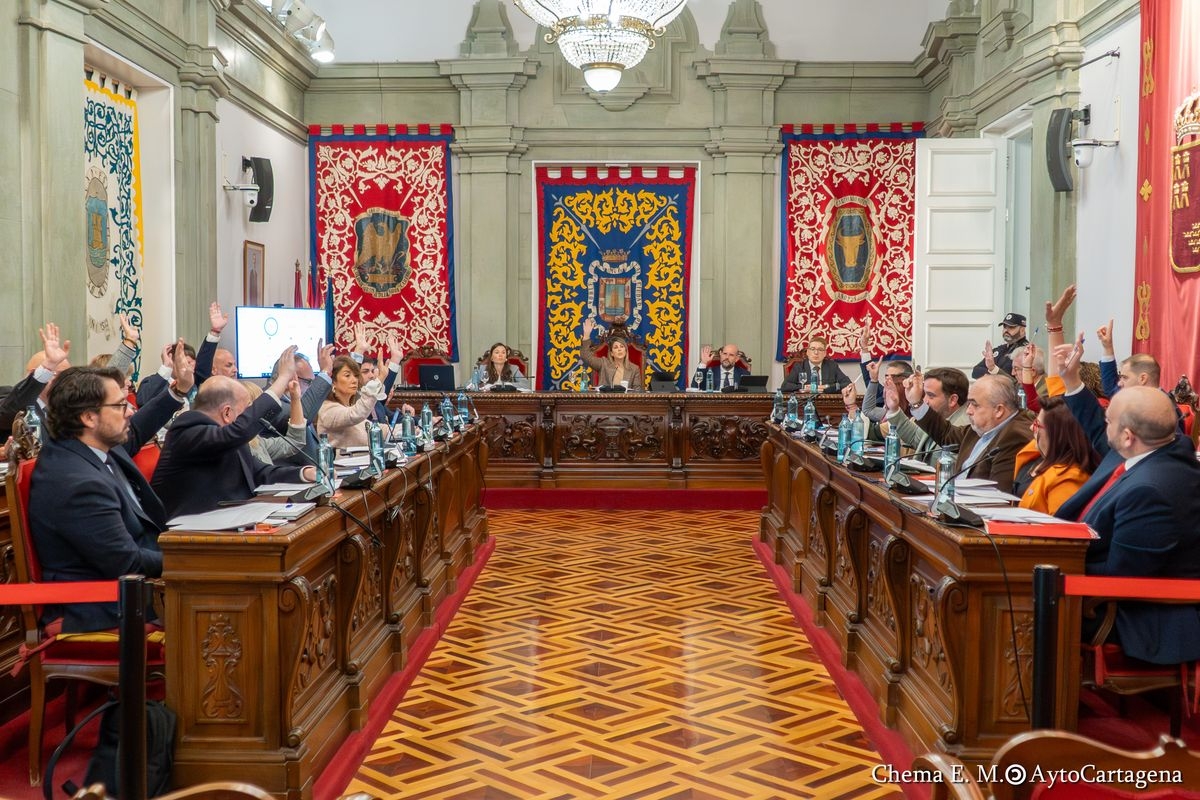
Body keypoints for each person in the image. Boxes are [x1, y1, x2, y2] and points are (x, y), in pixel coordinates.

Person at [28, 341, 194, 632]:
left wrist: (178, 389)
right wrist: (196, 558)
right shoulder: (77, 483)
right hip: (106, 603)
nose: (130, 410)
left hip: (134, 582)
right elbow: (126, 562)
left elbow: (140, 427)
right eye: (120, 405)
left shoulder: (94, 443)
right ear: (89, 417)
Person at [1055, 386, 1200, 665]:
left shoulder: (1150, 490)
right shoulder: (1156, 450)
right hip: (1110, 587)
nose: (1103, 424)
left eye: (1108, 420)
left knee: (1015, 606)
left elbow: (1120, 576)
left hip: (1134, 616)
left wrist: (1052, 566)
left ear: (1127, 436)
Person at [151, 347, 317, 518]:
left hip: (229, 521)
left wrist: (304, 473)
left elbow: (259, 472)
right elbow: (238, 432)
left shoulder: (229, 436)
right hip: (186, 535)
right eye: (247, 410)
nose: (249, 417)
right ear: (227, 413)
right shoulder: (188, 427)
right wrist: (282, 380)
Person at [902, 372, 1034, 492]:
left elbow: (996, 494)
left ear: (999, 410)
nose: (968, 411)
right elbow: (947, 434)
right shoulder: (983, 427)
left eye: (974, 405)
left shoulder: (1014, 436)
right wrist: (916, 403)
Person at [1012, 396, 1101, 514]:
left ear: (1057, 434)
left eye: (1037, 424)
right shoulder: (1042, 458)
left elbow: (1059, 530)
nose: (1031, 427)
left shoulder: (1068, 480)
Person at [880, 366, 969, 462]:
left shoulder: (964, 425)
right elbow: (914, 437)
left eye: (931, 396)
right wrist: (894, 408)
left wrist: (916, 404)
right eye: (924, 394)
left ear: (952, 400)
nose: (925, 400)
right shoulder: (937, 417)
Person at [0, 322, 72, 433]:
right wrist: (49, 365)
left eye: (68, 376)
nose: (66, 382)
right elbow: (7, 413)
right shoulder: (12, 400)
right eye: (58, 375)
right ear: (32, 375)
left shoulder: (69, 409)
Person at [315, 355, 388, 448]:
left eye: (356, 375)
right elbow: (355, 414)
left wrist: (408, 428)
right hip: (340, 462)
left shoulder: (347, 406)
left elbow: (377, 429)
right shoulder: (327, 409)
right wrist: (380, 379)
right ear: (333, 381)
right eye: (347, 375)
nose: (354, 380)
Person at [581, 318, 640, 390]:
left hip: (626, 400)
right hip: (605, 400)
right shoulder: (604, 364)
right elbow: (586, 357)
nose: (619, 349)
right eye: (615, 347)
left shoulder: (634, 369)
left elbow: (637, 391)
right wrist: (586, 335)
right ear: (611, 353)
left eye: (622, 347)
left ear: (626, 351)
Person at [780, 336, 851, 393]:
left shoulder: (832, 366)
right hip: (804, 403)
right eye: (813, 349)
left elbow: (848, 384)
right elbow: (785, 386)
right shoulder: (799, 366)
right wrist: (804, 387)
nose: (816, 353)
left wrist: (827, 387)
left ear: (824, 353)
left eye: (820, 349)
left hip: (825, 403)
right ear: (807, 352)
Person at [971, 311, 1028, 379]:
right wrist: (995, 372)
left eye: (1011, 327)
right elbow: (975, 371)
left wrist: (992, 370)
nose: (1006, 330)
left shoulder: (1025, 351)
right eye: (1005, 327)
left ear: (1022, 330)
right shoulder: (1000, 349)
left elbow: (1011, 379)